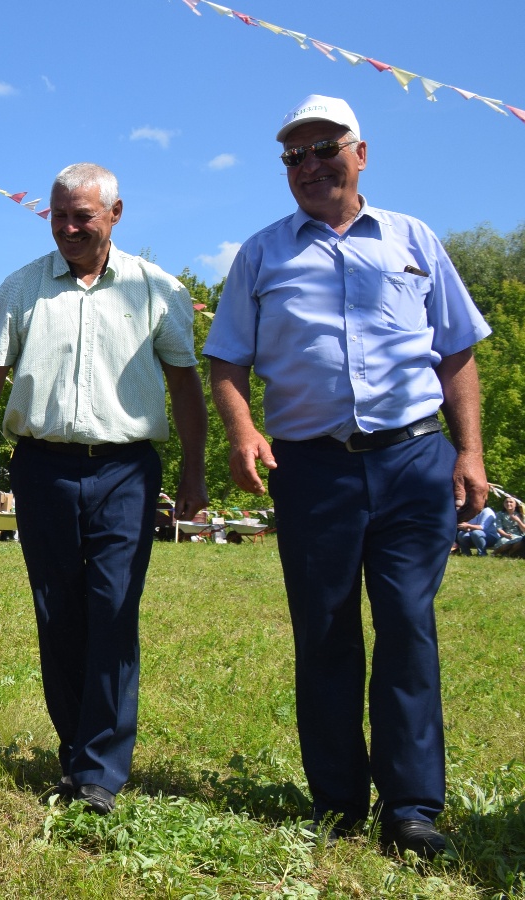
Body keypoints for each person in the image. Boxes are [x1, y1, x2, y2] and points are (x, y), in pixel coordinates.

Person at [204, 95, 490, 859]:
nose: (309, 166)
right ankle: (337, 801)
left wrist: (471, 454)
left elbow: (456, 351)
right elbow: (226, 356)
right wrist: (242, 433)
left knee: (406, 624)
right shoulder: (262, 253)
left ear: (362, 153)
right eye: (294, 156)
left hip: (413, 460)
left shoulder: (414, 239)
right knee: (325, 632)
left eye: (325, 149)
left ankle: (411, 808)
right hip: (312, 470)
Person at [0, 162, 207, 816]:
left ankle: (100, 773)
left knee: (114, 612)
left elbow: (185, 384)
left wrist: (195, 471)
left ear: (115, 215)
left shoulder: (159, 289)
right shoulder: (21, 289)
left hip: (126, 470)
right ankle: (78, 753)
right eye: (58, 215)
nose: (68, 228)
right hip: (42, 468)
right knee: (58, 613)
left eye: (83, 217)